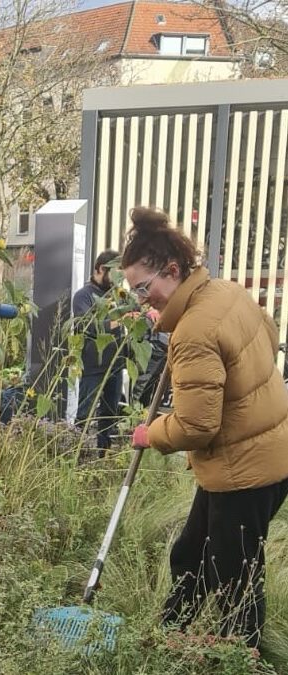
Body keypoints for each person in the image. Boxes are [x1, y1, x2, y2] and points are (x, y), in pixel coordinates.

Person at [123, 206, 288, 649]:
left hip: (246, 470)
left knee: (235, 581)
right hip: (261, 456)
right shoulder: (225, 292)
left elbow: (196, 424)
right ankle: (167, 639)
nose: (142, 298)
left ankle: (242, 656)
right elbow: (267, 338)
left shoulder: (195, 328)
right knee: (191, 555)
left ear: (172, 271)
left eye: (144, 287)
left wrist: (151, 433)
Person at [73, 249, 125, 455]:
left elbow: (135, 309)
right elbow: (88, 326)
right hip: (93, 365)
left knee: (109, 415)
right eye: (115, 272)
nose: (118, 278)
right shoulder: (83, 296)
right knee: (85, 413)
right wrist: (119, 320)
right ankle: (77, 453)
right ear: (100, 269)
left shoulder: (116, 294)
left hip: (115, 364)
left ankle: (103, 456)